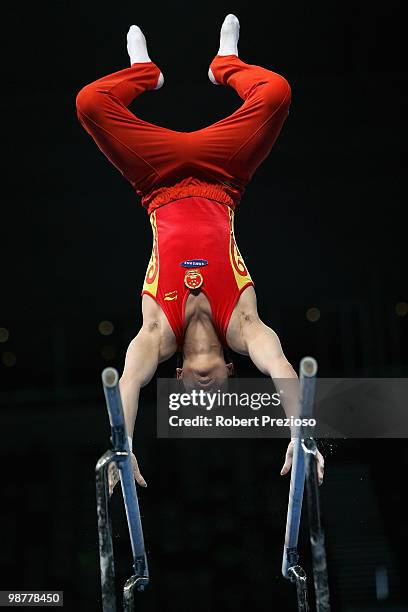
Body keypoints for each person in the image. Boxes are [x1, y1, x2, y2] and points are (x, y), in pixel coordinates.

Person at [76, 14, 324, 494]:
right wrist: (303, 432)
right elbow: (281, 368)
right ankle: (227, 63)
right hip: (222, 177)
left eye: (194, 401)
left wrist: (121, 447)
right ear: (232, 371)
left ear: (178, 375)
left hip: (157, 180)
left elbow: (127, 382)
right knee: (277, 94)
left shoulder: (156, 333)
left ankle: (142, 75)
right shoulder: (244, 325)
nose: (205, 398)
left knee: (88, 103)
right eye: (217, 401)